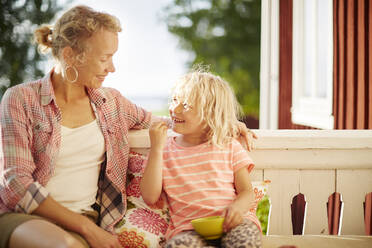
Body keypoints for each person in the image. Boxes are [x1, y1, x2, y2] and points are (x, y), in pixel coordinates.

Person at [0, 5, 256, 248]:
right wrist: (89, 230)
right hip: (27, 218)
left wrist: (223, 122)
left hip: (85, 222)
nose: (112, 68)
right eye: (105, 58)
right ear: (69, 55)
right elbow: (16, 183)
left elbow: (169, 123)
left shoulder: (111, 103)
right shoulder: (21, 99)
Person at [140, 70, 262, 248]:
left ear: (210, 113)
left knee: (245, 242)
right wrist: (156, 149)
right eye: (174, 100)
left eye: (186, 105)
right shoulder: (163, 150)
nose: (175, 109)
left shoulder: (228, 145)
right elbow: (150, 197)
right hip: (189, 229)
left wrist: (238, 208)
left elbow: (246, 192)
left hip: (234, 224)